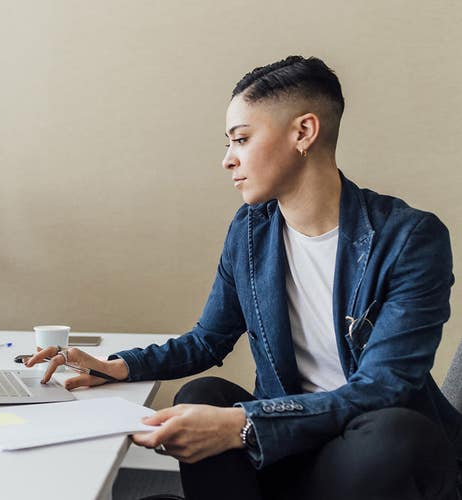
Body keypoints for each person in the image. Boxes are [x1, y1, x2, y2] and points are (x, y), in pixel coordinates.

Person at [25, 55, 462, 500]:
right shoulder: (251, 230)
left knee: (396, 431)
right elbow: (207, 340)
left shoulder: (409, 238)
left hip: (370, 454)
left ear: (303, 132)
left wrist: (246, 424)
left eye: (241, 139)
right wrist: (117, 366)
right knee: (203, 393)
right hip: (286, 448)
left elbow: (384, 388)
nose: (228, 160)